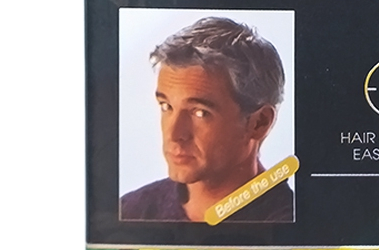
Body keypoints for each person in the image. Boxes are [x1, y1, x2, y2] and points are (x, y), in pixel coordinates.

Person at [120, 16, 293, 222]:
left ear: (258, 123)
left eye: (200, 112)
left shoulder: (295, 226)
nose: (174, 135)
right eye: (166, 106)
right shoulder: (131, 211)